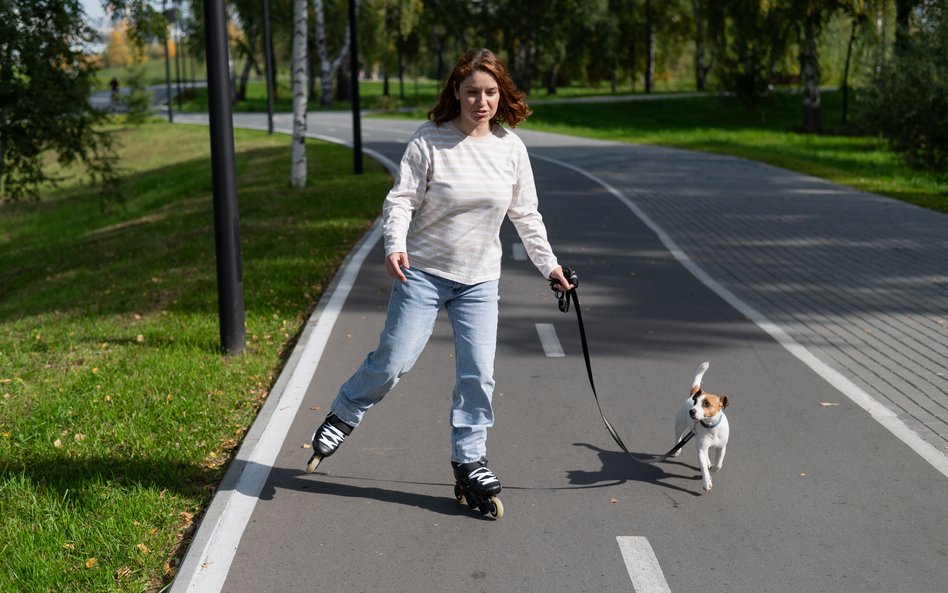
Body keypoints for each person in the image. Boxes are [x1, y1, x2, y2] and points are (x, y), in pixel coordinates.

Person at [305, 48, 574, 508]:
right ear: (456, 92)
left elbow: (525, 215)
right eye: (472, 92)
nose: (482, 102)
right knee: (395, 359)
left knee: (478, 375)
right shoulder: (430, 140)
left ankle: (470, 460)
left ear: (500, 94)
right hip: (423, 273)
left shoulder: (510, 147)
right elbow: (401, 200)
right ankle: (346, 411)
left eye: (490, 92)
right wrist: (395, 244)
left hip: (480, 280)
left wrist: (550, 266)